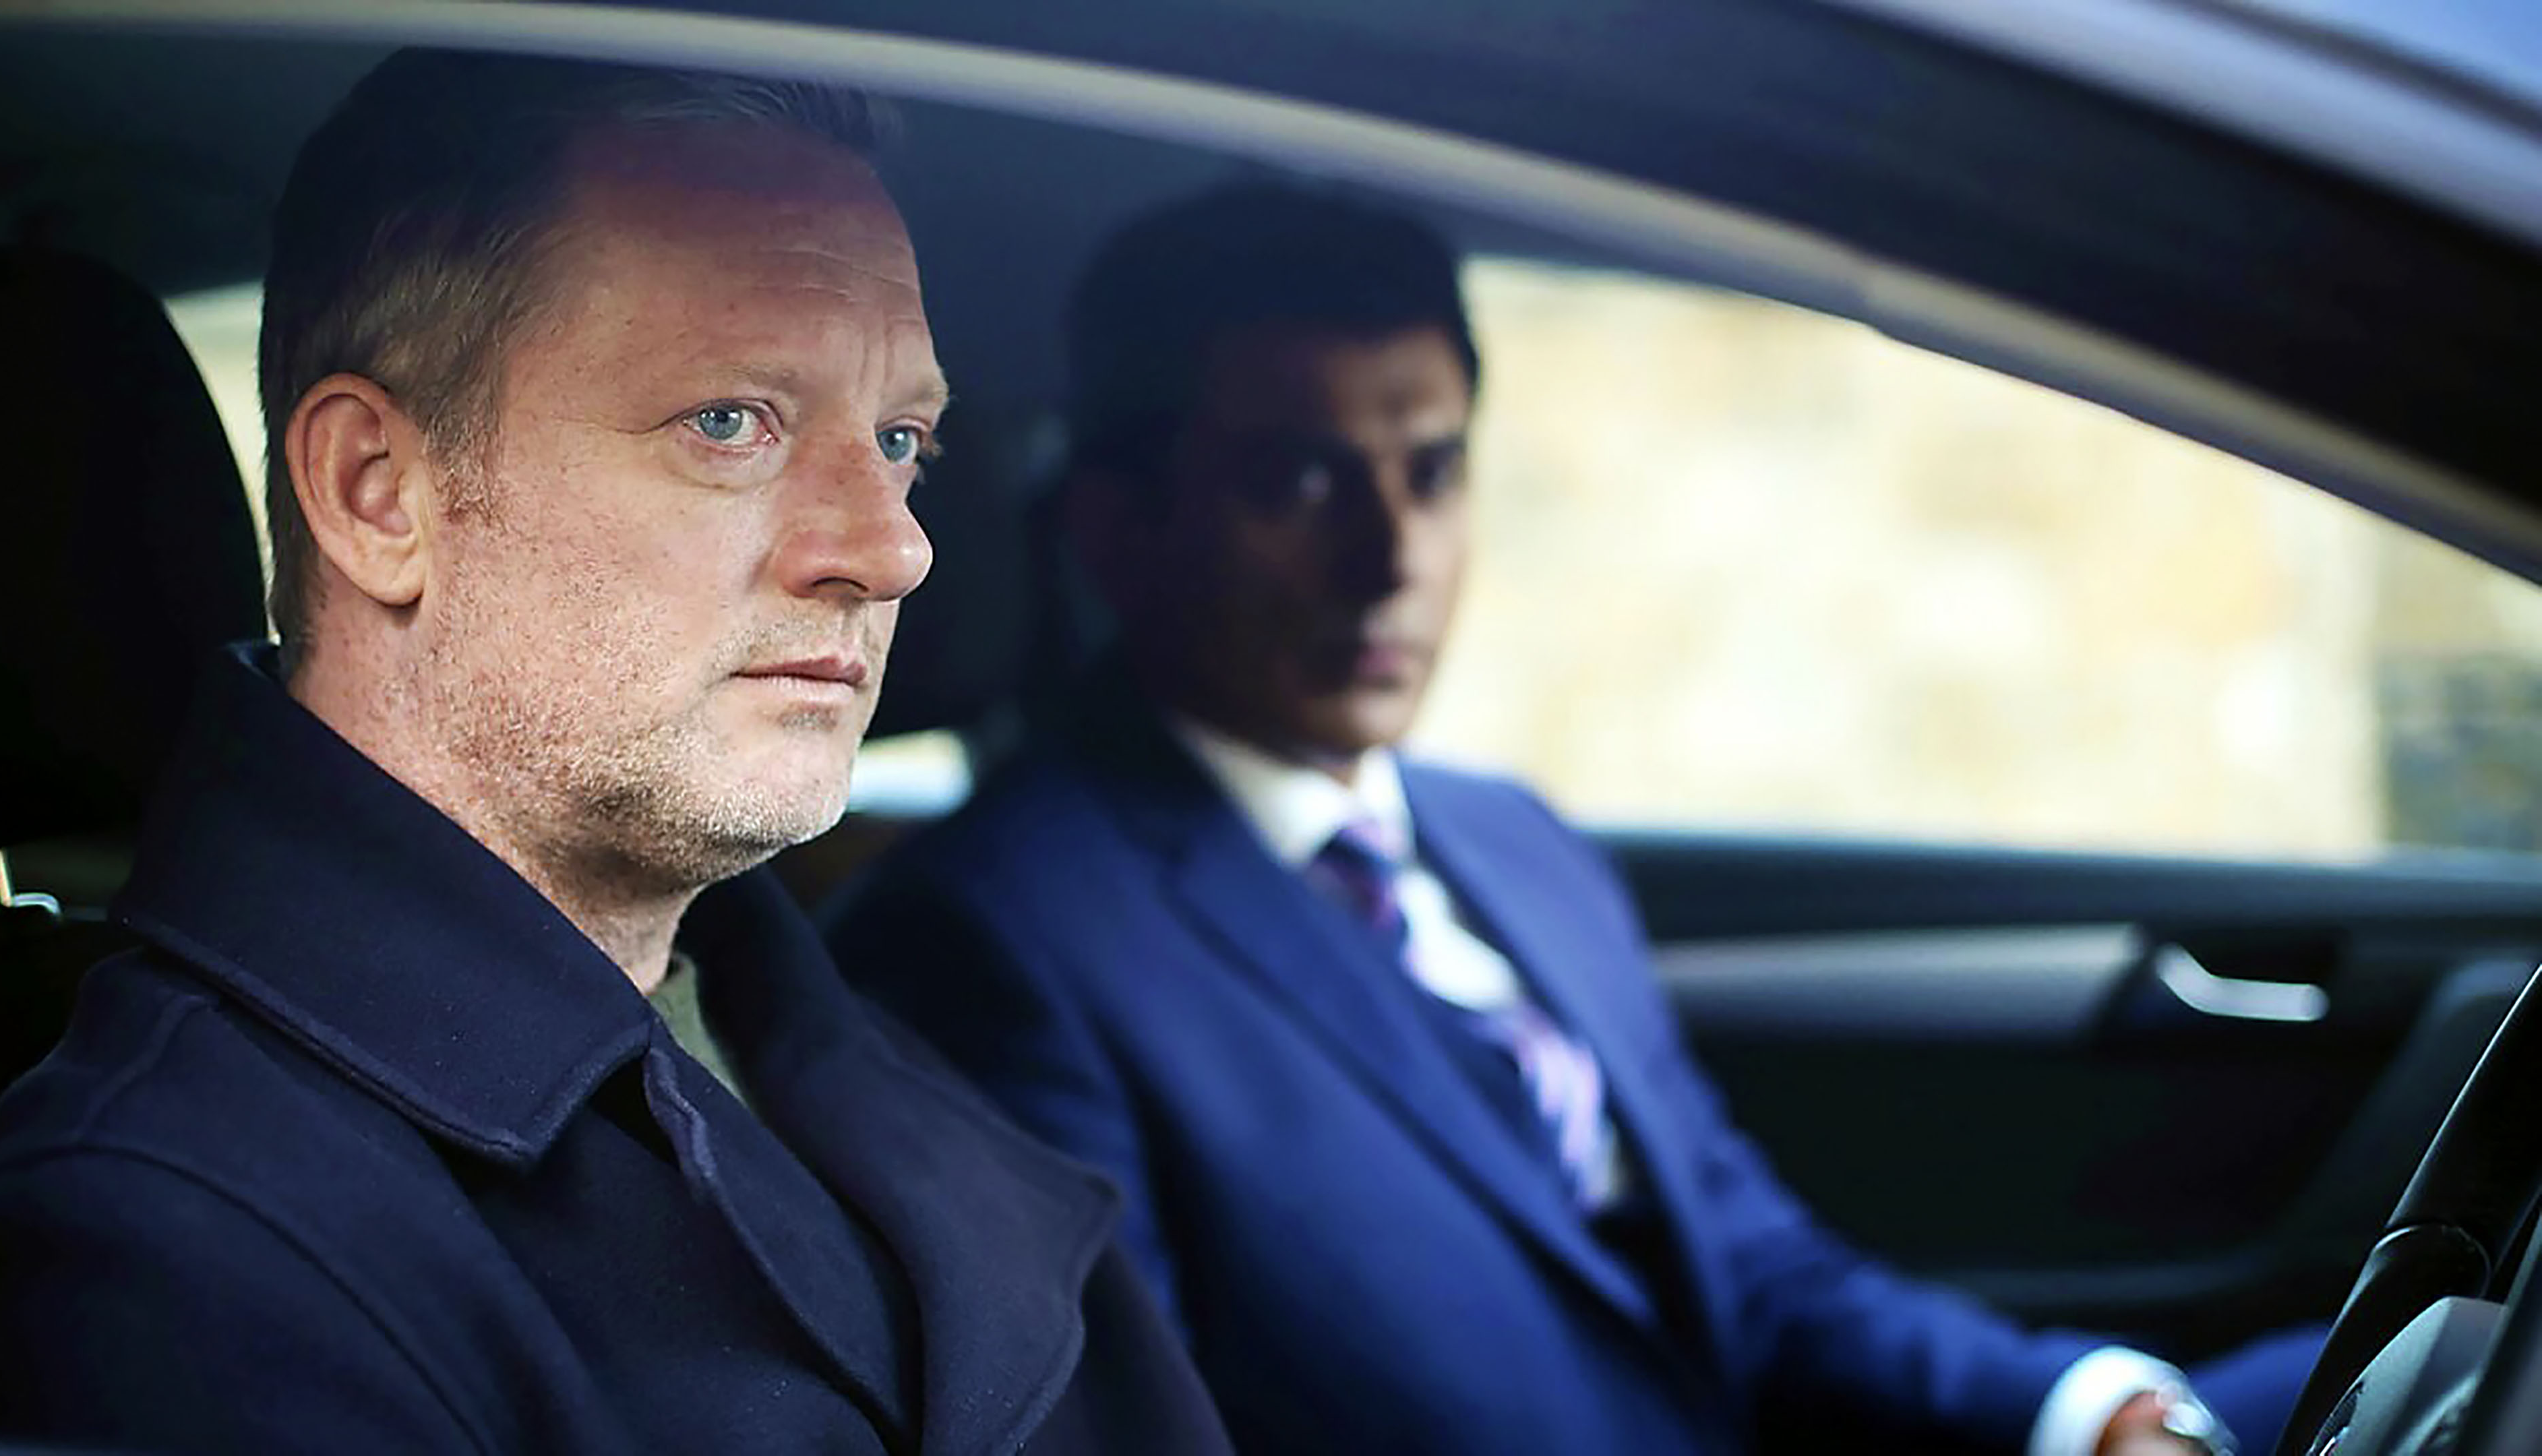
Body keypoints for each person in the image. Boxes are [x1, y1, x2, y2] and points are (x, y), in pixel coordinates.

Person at [824, 185, 2322, 1456]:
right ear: (1119, 528)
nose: (1390, 558)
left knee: (2356, 1376)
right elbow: (1139, 1427)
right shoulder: (990, 938)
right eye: (1300, 480)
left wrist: (2086, 1412)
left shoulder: (1514, 845)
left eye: (1433, 472)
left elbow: (1751, 1270)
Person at [0, 51, 1230, 1455]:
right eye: (731, 422)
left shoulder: (819, 1019)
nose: (894, 549)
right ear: (379, 495)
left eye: (899, 438)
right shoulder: (180, 1242)